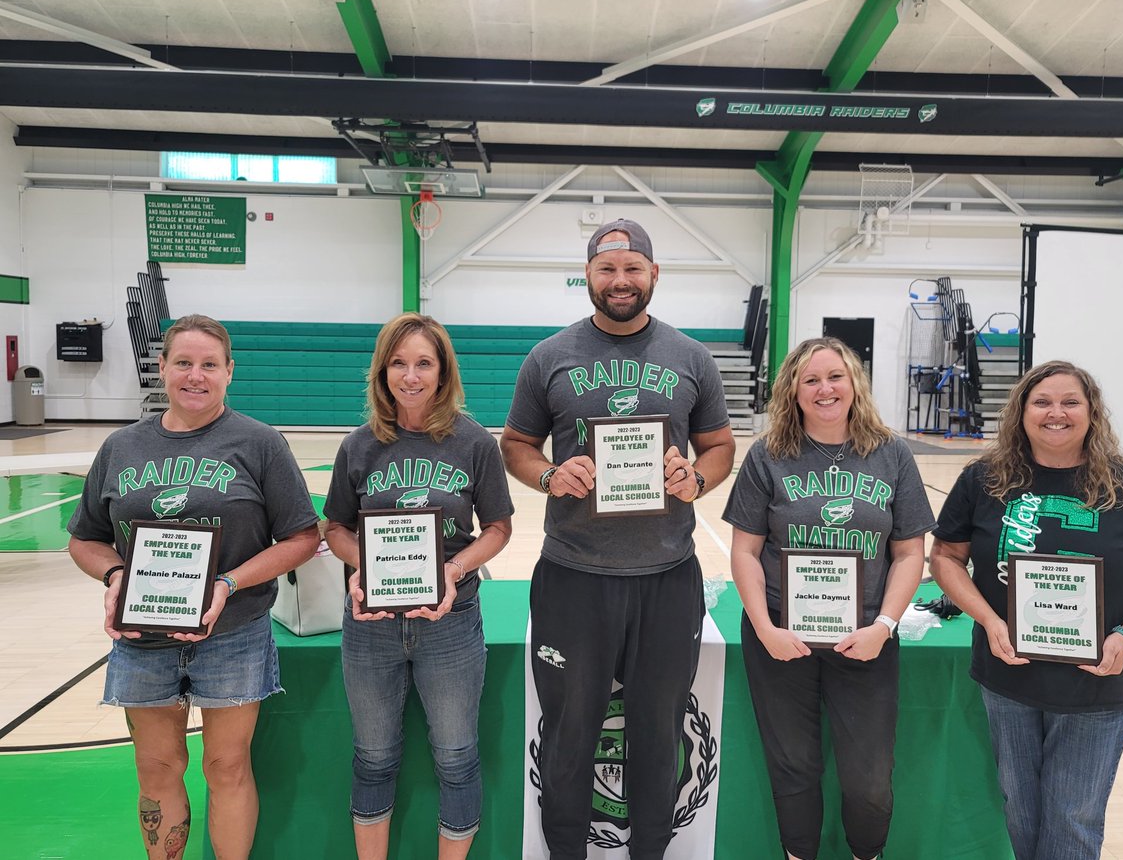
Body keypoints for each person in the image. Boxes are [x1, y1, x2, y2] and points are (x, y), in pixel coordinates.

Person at [500, 218, 735, 860]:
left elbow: (719, 446)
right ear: (589, 278)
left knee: (659, 734)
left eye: (633, 268)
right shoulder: (548, 357)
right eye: (607, 270)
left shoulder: (691, 358)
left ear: (654, 274)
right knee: (571, 733)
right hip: (574, 578)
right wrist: (551, 474)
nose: (620, 280)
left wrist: (696, 477)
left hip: (667, 578)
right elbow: (515, 445)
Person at [68, 314, 320, 860]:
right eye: (183, 362)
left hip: (233, 632)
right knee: (158, 769)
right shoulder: (121, 447)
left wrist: (229, 581)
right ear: (162, 369)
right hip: (142, 636)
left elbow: (302, 537)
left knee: (226, 767)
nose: (195, 376)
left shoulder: (260, 443)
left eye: (210, 364)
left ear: (230, 372)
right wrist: (114, 575)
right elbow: (85, 539)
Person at [929, 360, 1123, 860]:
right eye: (1043, 402)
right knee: (1020, 811)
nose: (1057, 413)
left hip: (1096, 683)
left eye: (1070, 402)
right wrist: (988, 620)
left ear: (1092, 412)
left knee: (1072, 820)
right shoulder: (984, 480)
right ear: (1021, 412)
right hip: (1007, 678)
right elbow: (945, 556)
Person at [722, 336, 933, 860]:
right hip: (780, 635)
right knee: (792, 764)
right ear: (793, 390)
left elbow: (910, 554)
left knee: (869, 778)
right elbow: (745, 552)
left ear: (854, 383)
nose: (824, 388)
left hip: (864, 637)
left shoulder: (891, 454)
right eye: (811, 379)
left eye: (834, 377)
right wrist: (766, 629)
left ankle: (868, 853)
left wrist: (883, 626)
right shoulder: (768, 456)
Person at [323, 313, 513, 860]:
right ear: (382, 372)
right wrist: (365, 566)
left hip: (450, 622)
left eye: (423, 363)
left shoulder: (474, 442)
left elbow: (498, 529)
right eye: (399, 363)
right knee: (374, 757)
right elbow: (335, 527)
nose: (411, 376)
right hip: (371, 625)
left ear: (442, 370)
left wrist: (453, 571)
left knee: (456, 756)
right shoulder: (358, 447)